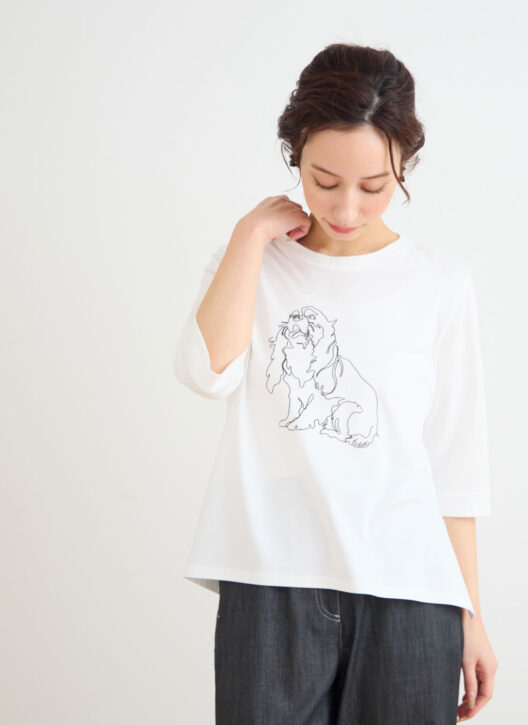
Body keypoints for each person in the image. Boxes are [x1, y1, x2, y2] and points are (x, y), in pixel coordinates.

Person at [174, 42, 498, 724]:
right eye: (324, 181)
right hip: (270, 581)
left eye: (374, 187)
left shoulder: (440, 286)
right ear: (294, 156)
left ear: (404, 166)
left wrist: (470, 612)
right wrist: (250, 234)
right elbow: (205, 373)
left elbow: (454, 467)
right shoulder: (253, 262)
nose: (347, 207)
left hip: (411, 593)